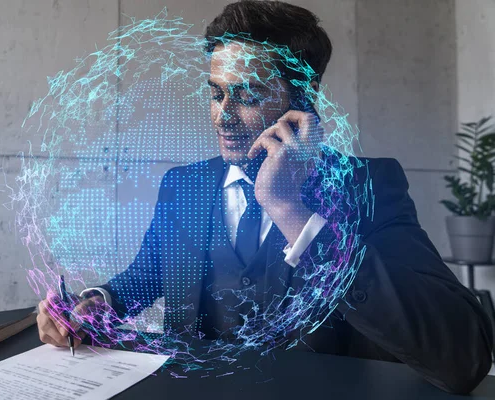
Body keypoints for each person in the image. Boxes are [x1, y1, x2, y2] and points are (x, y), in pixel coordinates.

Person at [37, 0, 493, 394]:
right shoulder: (185, 187)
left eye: (248, 96)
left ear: (304, 95)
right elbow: (146, 276)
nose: (223, 116)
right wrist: (97, 303)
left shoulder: (366, 188)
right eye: (216, 94)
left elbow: (461, 359)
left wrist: (290, 209)